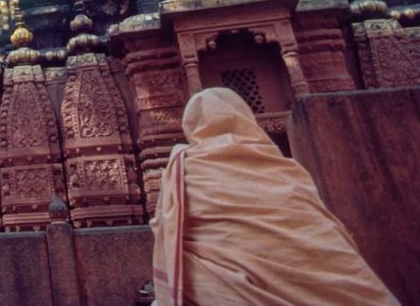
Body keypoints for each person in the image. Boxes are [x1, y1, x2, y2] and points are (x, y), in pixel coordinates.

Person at [150, 87, 398, 305]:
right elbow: (317, 225)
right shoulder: (280, 166)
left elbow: (165, 226)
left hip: (223, 290)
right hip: (322, 281)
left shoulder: (185, 170)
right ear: (243, 114)